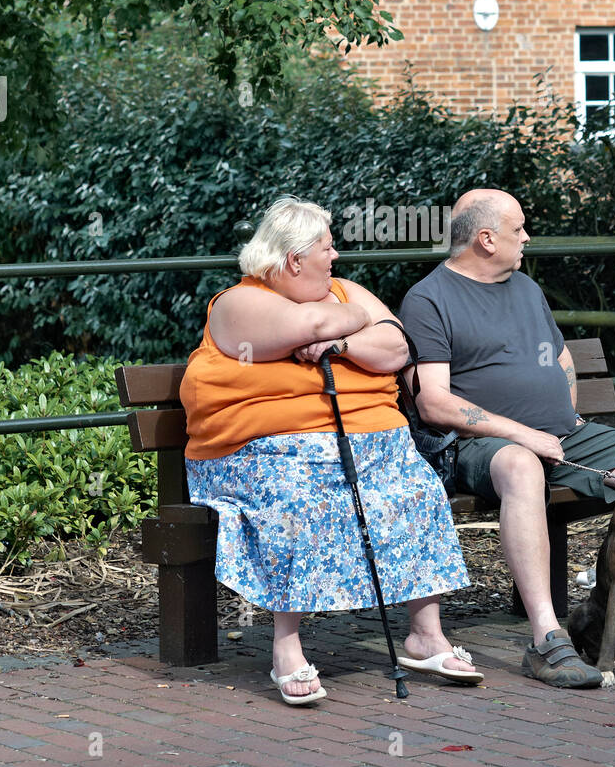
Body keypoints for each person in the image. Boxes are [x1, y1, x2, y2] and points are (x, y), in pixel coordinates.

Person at [399, 188, 615, 690]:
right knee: (522, 466)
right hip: (479, 447)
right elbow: (434, 402)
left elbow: (561, 360)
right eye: (517, 228)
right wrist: (526, 433)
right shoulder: (429, 299)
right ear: (485, 238)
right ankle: (548, 639)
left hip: (564, 436)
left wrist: (564, 420)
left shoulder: (523, 288)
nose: (526, 237)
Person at [180, 195, 480, 706]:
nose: (336, 256)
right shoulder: (240, 302)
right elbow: (314, 327)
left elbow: (398, 348)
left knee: (417, 488)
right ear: (294, 259)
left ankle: (424, 634)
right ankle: (286, 646)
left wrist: (343, 343)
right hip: (262, 455)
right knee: (302, 501)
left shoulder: (340, 292)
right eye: (326, 246)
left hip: (373, 447)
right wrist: (357, 316)